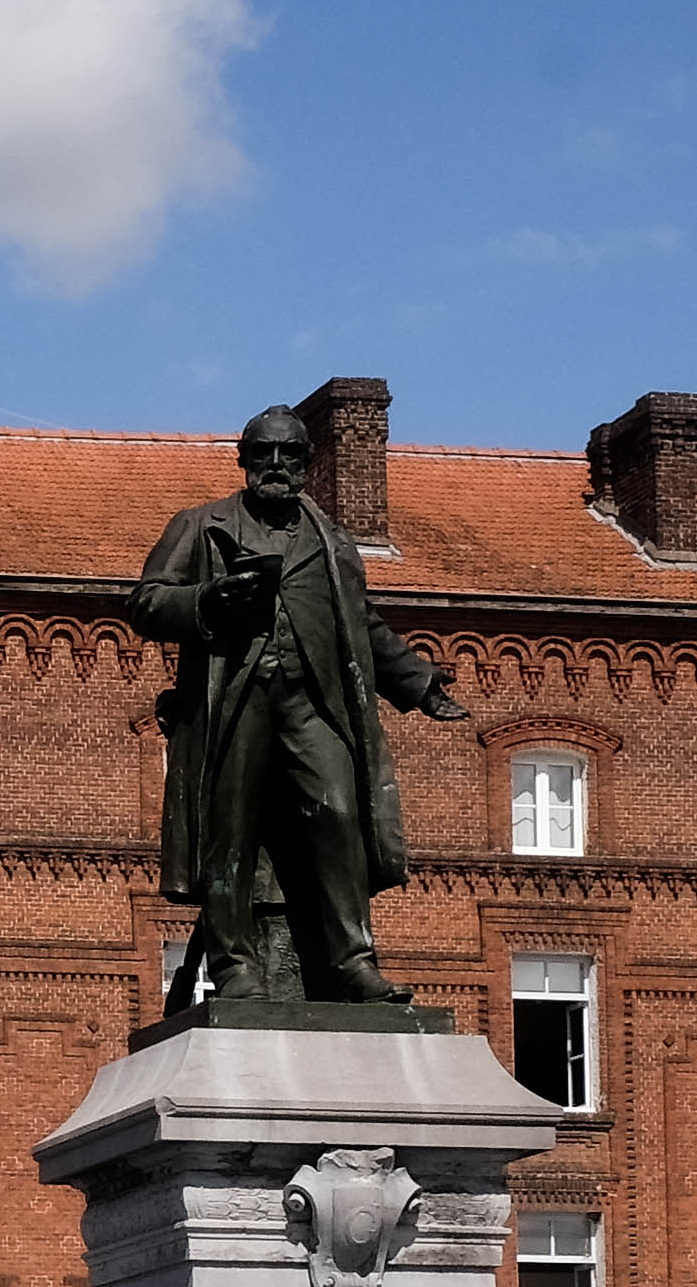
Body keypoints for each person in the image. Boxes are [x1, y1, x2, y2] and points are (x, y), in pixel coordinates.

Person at [133, 406, 473, 1008]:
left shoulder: (331, 540)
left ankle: (351, 962)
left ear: (307, 465)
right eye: (262, 454)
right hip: (233, 699)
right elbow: (147, 603)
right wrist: (208, 601)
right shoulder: (199, 524)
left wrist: (418, 684)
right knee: (228, 831)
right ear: (243, 461)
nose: (276, 466)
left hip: (311, 703)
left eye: (289, 455)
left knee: (339, 812)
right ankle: (234, 965)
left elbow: (360, 624)